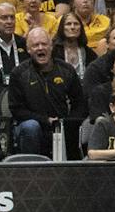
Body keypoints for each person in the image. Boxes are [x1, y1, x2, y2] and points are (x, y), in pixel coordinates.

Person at [9, 27, 86, 157]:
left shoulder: (67, 70)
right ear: (28, 50)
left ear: (51, 46)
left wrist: (67, 122)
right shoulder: (18, 73)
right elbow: (16, 110)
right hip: (32, 126)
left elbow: (79, 102)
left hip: (61, 126)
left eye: (44, 44)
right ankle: (31, 168)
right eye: (35, 45)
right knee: (31, 127)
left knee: (76, 126)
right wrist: (45, 120)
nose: (40, 48)